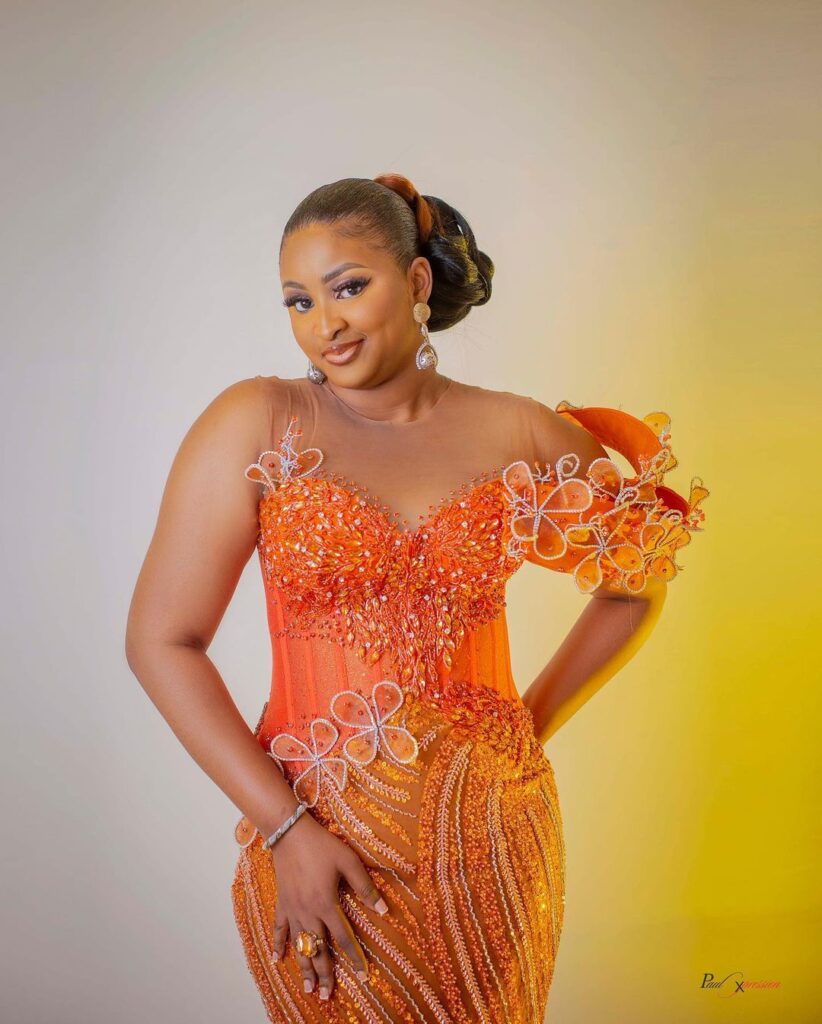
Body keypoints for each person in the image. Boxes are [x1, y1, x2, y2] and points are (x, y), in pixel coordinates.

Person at [125, 173, 709, 1023]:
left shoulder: (517, 431)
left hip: (492, 847)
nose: (323, 324)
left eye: (348, 287)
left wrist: (524, 728)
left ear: (418, 282)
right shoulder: (261, 420)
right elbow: (161, 641)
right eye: (298, 301)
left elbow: (635, 587)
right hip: (317, 851)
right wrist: (285, 830)